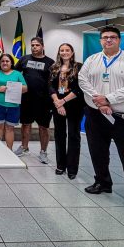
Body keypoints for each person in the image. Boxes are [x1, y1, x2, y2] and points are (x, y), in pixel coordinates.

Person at [78, 26, 124, 217]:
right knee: (97, 152)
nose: (108, 40)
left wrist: (109, 99)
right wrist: (99, 101)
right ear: (100, 40)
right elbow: (83, 80)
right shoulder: (92, 60)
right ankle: (102, 182)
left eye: (112, 37)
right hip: (96, 115)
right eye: (105, 37)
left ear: (119, 40)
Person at [13, 37, 55, 163]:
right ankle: (24, 147)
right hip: (26, 99)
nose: (34, 47)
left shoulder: (50, 62)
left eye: (37, 45)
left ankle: (43, 152)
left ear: (42, 46)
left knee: (44, 127)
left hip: (44, 101)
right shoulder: (24, 59)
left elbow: (54, 81)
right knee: (26, 124)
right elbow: (14, 74)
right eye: (32, 45)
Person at [49, 43, 85, 179]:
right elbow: (50, 86)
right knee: (59, 135)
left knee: (73, 136)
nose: (64, 52)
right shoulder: (54, 67)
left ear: (72, 52)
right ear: (59, 52)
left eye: (67, 50)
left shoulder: (79, 67)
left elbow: (79, 88)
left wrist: (63, 101)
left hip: (75, 105)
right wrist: (58, 103)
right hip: (57, 104)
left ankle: (72, 168)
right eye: (62, 50)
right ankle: (60, 165)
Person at [0, 54, 27, 149]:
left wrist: (14, 87)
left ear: (11, 63)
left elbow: (25, 88)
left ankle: (9, 151)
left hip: (13, 106)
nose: (5, 63)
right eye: (2, 61)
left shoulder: (17, 74)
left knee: (10, 129)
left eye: (7, 61)